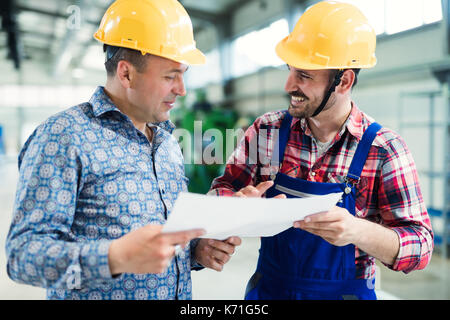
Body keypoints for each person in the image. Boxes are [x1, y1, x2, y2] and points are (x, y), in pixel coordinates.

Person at [5, 0, 240, 300]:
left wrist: (195, 251)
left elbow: (160, 243)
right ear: (126, 74)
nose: (182, 89)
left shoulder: (167, 142)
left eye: (184, 74)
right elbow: (22, 256)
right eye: (170, 76)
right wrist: (113, 257)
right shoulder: (64, 137)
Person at [209, 1, 433, 300]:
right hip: (270, 291)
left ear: (344, 80)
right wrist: (235, 204)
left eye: (304, 75)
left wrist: (357, 231)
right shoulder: (267, 131)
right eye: (290, 71)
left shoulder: (385, 150)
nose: (289, 85)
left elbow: (421, 247)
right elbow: (221, 190)